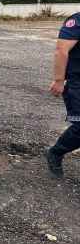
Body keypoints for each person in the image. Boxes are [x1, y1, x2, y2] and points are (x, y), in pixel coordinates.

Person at [46, 13, 80, 178]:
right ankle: (56, 152)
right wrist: (59, 80)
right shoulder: (76, 21)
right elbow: (61, 51)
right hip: (77, 82)